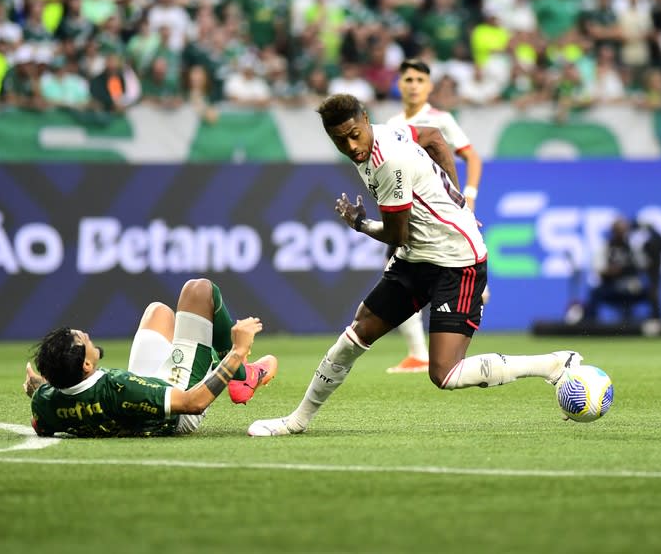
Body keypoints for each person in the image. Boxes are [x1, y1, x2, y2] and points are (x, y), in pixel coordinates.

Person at [248, 94, 581, 436]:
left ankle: (552, 364)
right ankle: (297, 421)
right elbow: (434, 137)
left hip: (456, 260)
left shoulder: (387, 161)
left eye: (353, 134)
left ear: (365, 118)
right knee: (357, 332)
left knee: (444, 374)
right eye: (339, 140)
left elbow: (397, 233)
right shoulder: (392, 130)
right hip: (418, 256)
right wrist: (456, 201)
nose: (351, 146)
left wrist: (360, 224)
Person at [24, 278, 277, 437]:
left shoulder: (46, 402)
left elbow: (43, 422)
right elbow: (194, 403)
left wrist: (39, 388)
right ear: (87, 365)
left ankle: (216, 358)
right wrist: (237, 352)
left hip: (140, 398)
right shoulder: (120, 388)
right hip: (179, 405)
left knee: (158, 312)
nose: (87, 334)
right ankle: (243, 377)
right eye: (82, 339)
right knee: (199, 290)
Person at [382, 58, 485, 374]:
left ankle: (427, 351)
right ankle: (418, 353)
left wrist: (467, 197)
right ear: (400, 84)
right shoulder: (391, 124)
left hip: (441, 213)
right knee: (399, 276)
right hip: (408, 213)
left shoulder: (441, 120)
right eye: (408, 79)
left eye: (419, 80)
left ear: (429, 86)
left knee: (404, 275)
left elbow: (472, 157)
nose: (413, 85)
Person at [580, 216, 661, 323]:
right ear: (613, 231)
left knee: (652, 292)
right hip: (612, 288)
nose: (621, 233)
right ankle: (591, 324)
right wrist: (613, 271)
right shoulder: (605, 248)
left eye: (623, 230)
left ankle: (657, 322)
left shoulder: (633, 248)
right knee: (595, 293)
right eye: (618, 230)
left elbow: (644, 265)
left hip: (631, 288)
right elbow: (598, 269)